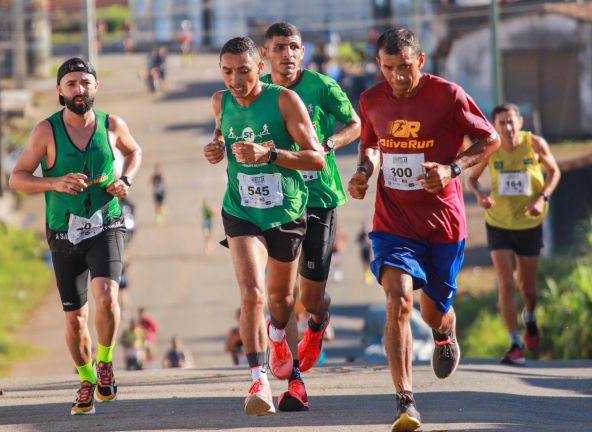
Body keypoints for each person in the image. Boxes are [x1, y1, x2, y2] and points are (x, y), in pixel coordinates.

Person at [347, 29, 500, 432]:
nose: (396, 76)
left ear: (422, 60)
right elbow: (370, 145)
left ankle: (445, 331)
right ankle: (405, 401)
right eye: (388, 68)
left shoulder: (448, 96)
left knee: (432, 312)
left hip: (443, 225)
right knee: (397, 301)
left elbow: (489, 138)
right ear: (379, 65)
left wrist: (451, 169)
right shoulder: (370, 100)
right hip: (394, 223)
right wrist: (364, 171)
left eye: (404, 67)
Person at [9, 57, 142, 416]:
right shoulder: (45, 131)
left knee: (107, 295)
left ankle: (105, 362)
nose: (79, 89)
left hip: (107, 224)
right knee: (74, 318)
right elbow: (17, 177)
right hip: (63, 232)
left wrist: (125, 179)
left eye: (85, 82)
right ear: (59, 91)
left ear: (95, 87)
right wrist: (53, 182)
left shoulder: (112, 124)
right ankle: (85, 379)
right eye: (71, 84)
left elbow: (134, 151)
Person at [203, 36, 325, 416]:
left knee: (282, 301)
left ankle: (277, 335)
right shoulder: (220, 101)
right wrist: (216, 148)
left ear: (260, 67)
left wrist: (269, 154)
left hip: (285, 211)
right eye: (227, 72)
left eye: (243, 71)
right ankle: (258, 379)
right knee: (252, 293)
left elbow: (316, 159)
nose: (235, 80)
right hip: (241, 209)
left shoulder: (284, 100)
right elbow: (223, 134)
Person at [259, 22, 361, 412]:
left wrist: (331, 142)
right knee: (281, 297)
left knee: (311, 299)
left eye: (294, 47)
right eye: (280, 47)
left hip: (319, 197)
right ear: (266, 54)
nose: (288, 53)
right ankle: (295, 383)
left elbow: (356, 124)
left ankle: (318, 323)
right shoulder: (259, 93)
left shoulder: (321, 85)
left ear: (302, 52)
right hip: (278, 202)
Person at [467, 103, 560, 366]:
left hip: (530, 223)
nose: (507, 128)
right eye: (501, 123)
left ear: (520, 122)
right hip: (498, 223)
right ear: (494, 126)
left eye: (511, 122)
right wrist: (480, 196)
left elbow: (555, 172)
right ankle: (515, 342)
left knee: (527, 289)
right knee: (506, 283)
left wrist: (542, 198)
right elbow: (472, 179)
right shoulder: (491, 148)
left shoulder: (535, 144)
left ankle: (529, 317)